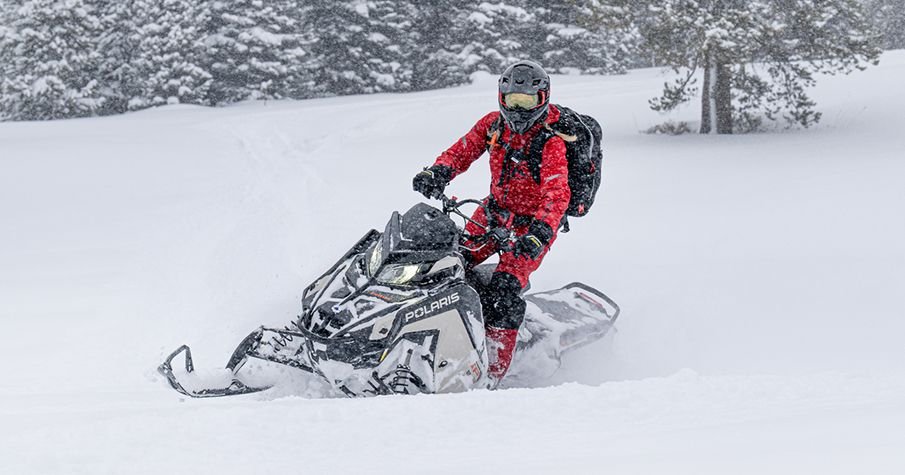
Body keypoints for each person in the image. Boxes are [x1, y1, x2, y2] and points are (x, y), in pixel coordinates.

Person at [412, 60, 571, 386]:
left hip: (530, 227)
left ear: (543, 99)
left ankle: (491, 374)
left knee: (504, 291)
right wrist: (438, 172)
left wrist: (539, 233)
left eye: (527, 102)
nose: (518, 109)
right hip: (493, 212)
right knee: (448, 263)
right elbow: (462, 150)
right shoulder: (493, 125)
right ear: (501, 98)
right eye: (513, 100)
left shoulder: (551, 141)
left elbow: (557, 195)